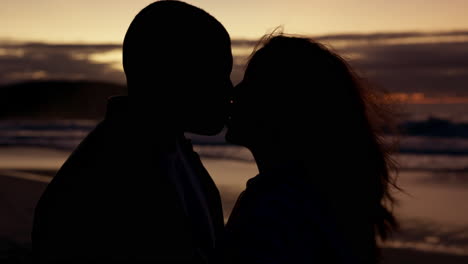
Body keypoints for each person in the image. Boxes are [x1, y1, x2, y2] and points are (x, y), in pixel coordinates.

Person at [32, 1, 233, 262]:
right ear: (173, 74)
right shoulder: (110, 179)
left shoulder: (171, 151)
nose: (229, 91)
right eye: (218, 74)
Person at [223, 35, 398, 264]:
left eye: (251, 83)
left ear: (285, 107)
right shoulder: (318, 199)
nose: (235, 93)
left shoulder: (274, 210)